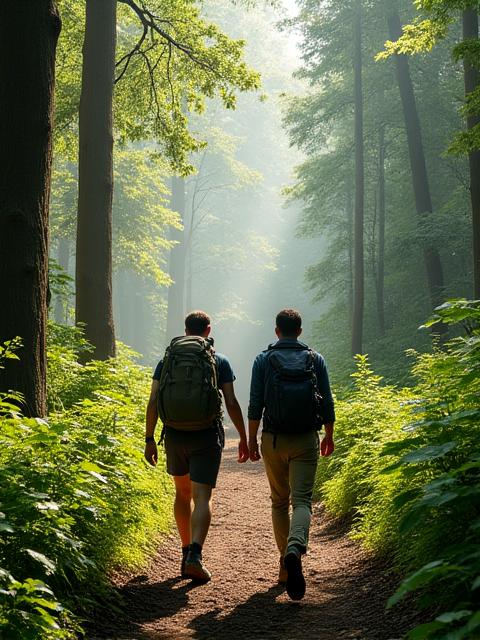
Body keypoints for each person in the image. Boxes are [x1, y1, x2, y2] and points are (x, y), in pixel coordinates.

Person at [145, 310, 249, 582]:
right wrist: (244, 437)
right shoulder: (218, 360)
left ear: (185, 329)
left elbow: (154, 401)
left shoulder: (166, 360)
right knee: (202, 497)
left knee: (182, 493)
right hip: (205, 435)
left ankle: (183, 552)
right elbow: (231, 402)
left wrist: (149, 439)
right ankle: (195, 555)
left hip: (175, 435)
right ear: (208, 330)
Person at [248, 308, 335, 601]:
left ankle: (285, 567)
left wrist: (250, 439)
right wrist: (329, 436)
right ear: (299, 331)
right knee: (302, 501)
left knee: (278, 502)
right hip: (306, 440)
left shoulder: (263, 359)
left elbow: (255, 403)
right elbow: (327, 401)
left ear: (276, 331)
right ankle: (295, 548)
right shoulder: (314, 359)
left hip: (273, 439)